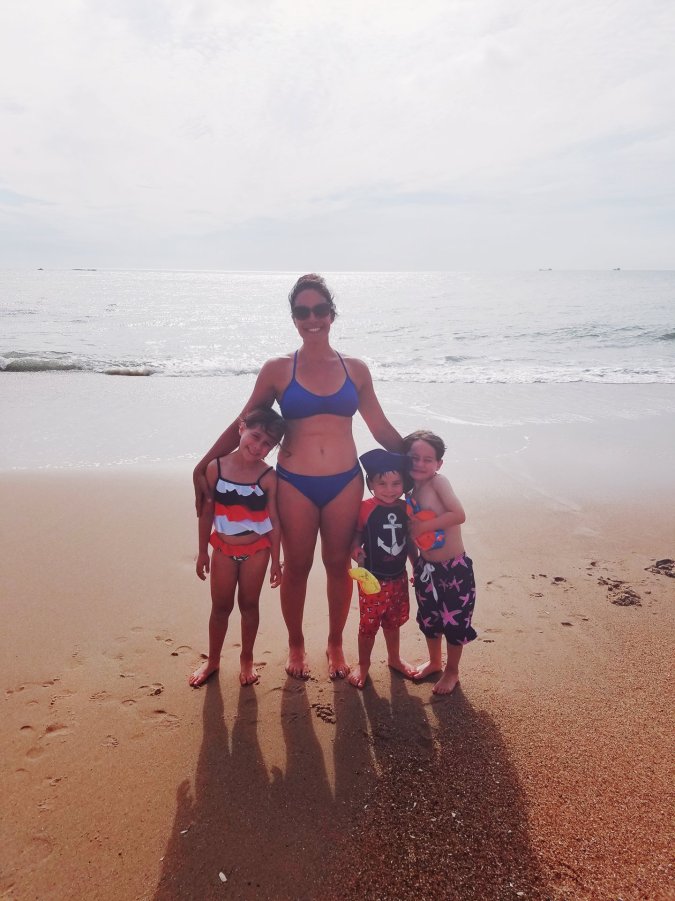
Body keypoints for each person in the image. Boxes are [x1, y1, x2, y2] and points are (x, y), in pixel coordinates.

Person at [193, 274, 403, 680]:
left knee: (338, 565)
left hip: (344, 481)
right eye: (302, 312)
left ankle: (335, 643)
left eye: (320, 310)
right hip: (294, 483)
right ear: (294, 318)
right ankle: (296, 644)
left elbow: (380, 428)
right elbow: (244, 422)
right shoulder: (277, 370)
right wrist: (204, 464)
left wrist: (417, 458)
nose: (312, 319)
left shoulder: (356, 369)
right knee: (297, 567)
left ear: (332, 314)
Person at [189, 407, 285, 688]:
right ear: (241, 428)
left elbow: (274, 520)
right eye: (255, 436)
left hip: (257, 551)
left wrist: (276, 561)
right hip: (223, 550)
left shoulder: (268, 476)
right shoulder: (215, 468)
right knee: (220, 607)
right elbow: (206, 512)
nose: (258, 446)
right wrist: (202, 551)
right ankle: (213, 660)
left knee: (249, 605)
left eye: (267, 443)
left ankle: (247, 659)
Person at [402, 429, 477, 695]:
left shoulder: (438, 483)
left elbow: (458, 514)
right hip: (426, 568)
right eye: (414, 458)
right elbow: (410, 535)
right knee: (430, 619)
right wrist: (415, 564)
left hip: (454, 569)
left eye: (427, 459)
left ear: (439, 464)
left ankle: (452, 671)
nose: (420, 464)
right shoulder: (409, 490)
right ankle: (435, 662)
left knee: (455, 623)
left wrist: (426, 526)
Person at [348, 449, 417, 689]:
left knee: (392, 622)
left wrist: (416, 565)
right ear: (371, 484)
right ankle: (363, 664)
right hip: (372, 581)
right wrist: (355, 549)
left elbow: (409, 542)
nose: (390, 489)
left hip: (398, 577)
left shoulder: (405, 508)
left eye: (396, 483)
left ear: (404, 484)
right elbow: (357, 534)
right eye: (382, 483)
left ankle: (394, 658)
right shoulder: (364, 508)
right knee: (368, 626)